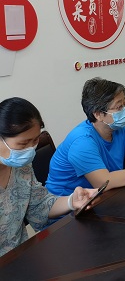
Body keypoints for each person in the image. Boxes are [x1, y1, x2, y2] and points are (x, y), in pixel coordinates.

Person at [0, 97, 97, 257]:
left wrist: (71, 201)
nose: (30, 149)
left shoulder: (21, 167)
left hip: (20, 255)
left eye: (35, 141)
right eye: (23, 144)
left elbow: (39, 205)